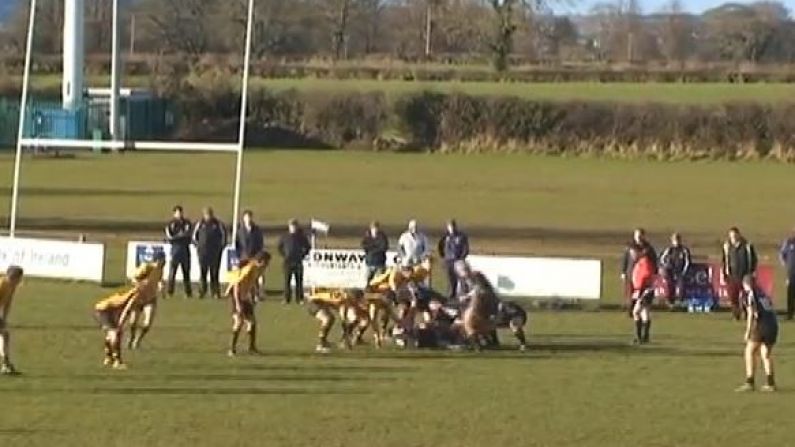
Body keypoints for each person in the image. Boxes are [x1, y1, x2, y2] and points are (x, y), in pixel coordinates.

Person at [735, 275, 778, 393]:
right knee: (765, 354)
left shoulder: (750, 294)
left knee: (749, 351)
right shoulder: (762, 293)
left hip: (762, 325)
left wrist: (748, 331)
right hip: (773, 325)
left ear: (745, 285)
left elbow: (750, 314)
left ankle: (750, 382)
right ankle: (771, 383)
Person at [225, 251, 270, 356]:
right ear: (261, 261)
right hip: (237, 297)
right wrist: (237, 304)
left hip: (244, 298)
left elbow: (253, 283)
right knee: (239, 322)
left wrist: (254, 296)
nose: (267, 265)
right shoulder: (248, 269)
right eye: (267, 263)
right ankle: (232, 349)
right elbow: (236, 285)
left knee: (252, 322)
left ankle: (251, 348)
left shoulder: (256, 269)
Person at [94, 286, 147, 369]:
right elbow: (126, 310)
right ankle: (117, 361)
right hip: (104, 310)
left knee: (111, 335)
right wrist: (120, 324)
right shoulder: (136, 296)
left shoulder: (133, 294)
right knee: (115, 333)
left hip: (107, 309)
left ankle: (108, 358)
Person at [307, 288, 368, 353]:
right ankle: (321, 344)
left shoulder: (346, 298)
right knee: (328, 319)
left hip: (320, 302)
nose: (359, 302)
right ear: (353, 297)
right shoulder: (343, 300)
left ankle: (327, 342)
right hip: (314, 303)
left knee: (332, 318)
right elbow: (343, 320)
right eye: (358, 299)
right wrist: (347, 339)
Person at [127, 252, 166, 350]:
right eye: (162, 259)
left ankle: (137, 341)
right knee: (133, 322)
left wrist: (161, 286)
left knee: (148, 323)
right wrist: (139, 284)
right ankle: (131, 337)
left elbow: (159, 279)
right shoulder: (146, 267)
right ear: (157, 260)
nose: (164, 261)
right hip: (138, 298)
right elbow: (133, 278)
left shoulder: (160, 270)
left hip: (150, 298)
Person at [722, 227, 757, 321]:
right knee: (733, 297)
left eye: (734, 235)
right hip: (732, 276)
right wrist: (725, 273)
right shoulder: (727, 247)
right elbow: (725, 261)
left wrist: (751, 272)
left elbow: (754, 260)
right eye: (731, 236)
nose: (733, 238)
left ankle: (747, 314)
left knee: (746, 297)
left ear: (738, 235)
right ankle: (736, 315)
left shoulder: (747, 246)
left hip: (745, 276)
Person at [193, 207, 227, 299]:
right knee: (203, 273)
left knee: (214, 273)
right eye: (206, 214)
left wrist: (220, 248)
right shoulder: (200, 224)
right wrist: (198, 247)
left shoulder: (218, 224)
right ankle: (202, 291)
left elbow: (224, 237)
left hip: (215, 253)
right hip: (203, 253)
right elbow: (194, 237)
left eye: (209, 214)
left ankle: (215, 292)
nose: (208, 216)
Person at [278, 219, 311, 304]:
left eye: (294, 226)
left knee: (299, 281)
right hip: (287, 262)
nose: (293, 227)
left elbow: (307, 247)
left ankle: (299, 298)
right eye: (292, 226)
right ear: (289, 226)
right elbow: (279, 247)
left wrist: (303, 255)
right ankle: (286, 298)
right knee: (287, 281)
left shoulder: (301, 236)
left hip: (298, 261)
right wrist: (284, 255)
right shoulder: (284, 236)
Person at [235, 210, 266, 300]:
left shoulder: (257, 230)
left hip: (254, 257)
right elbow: (237, 244)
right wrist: (239, 255)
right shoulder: (240, 231)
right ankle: (244, 294)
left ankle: (256, 294)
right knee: (244, 277)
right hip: (244, 257)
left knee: (254, 277)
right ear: (244, 219)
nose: (248, 219)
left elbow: (260, 243)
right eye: (246, 217)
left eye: (249, 217)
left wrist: (258, 256)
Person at [620, 229, 657, 303]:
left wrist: (655, 272)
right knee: (631, 292)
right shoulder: (630, 247)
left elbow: (654, 260)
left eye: (640, 236)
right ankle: (631, 308)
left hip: (643, 275)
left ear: (643, 236)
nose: (638, 237)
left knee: (642, 293)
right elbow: (625, 259)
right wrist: (623, 272)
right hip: (631, 272)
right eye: (637, 236)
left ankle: (640, 308)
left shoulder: (648, 248)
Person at [629, 243, 655, 344]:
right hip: (642, 290)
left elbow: (646, 276)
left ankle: (639, 336)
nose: (632, 255)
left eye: (633, 253)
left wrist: (640, 291)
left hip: (645, 291)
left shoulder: (645, 262)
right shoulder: (640, 262)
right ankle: (644, 337)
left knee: (636, 312)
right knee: (644, 313)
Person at [164, 205, 193, 298]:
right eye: (177, 212)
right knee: (172, 273)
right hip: (175, 250)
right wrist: (180, 236)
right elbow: (170, 238)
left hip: (185, 250)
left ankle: (188, 292)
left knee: (186, 273)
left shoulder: (187, 223)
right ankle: (170, 292)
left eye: (180, 212)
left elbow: (189, 235)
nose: (179, 214)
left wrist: (179, 236)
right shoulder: (171, 224)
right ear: (174, 213)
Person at [0, 266, 24, 375]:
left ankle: (5, 364)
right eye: (19, 278)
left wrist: (4, 319)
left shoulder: (11, 286)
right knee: (4, 335)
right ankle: (5, 364)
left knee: (5, 335)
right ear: (13, 277)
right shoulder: (2, 285)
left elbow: (7, 303)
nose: (20, 281)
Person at [438, 219, 470, 300]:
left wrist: (461, 258)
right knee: (450, 279)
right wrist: (443, 256)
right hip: (448, 261)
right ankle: (451, 295)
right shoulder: (445, 236)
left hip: (458, 261)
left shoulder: (461, 236)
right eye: (449, 227)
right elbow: (440, 246)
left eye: (452, 226)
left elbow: (465, 248)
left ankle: (463, 295)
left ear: (455, 226)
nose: (451, 228)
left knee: (461, 278)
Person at [659, 232, 692, 306]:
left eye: (678, 240)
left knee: (681, 286)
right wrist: (665, 265)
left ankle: (681, 301)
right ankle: (670, 302)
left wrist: (684, 271)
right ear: (672, 241)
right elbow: (662, 259)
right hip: (670, 270)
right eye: (675, 240)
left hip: (680, 271)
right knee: (669, 285)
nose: (676, 241)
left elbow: (687, 262)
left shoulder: (684, 250)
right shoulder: (669, 249)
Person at [361, 221, 389, 286]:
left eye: (376, 227)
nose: (375, 229)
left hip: (380, 262)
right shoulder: (367, 236)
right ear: (370, 228)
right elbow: (364, 246)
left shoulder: (382, 236)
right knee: (367, 280)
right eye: (373, 228)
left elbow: (384, 247)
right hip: (369, 262)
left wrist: (372, 249)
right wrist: (375, 247)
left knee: (379, 281)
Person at [778, 229, 795, 320]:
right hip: (791, 272)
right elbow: (782, 254)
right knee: (790, 294)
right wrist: (785, 264)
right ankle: (790, 314)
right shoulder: (788, 242)